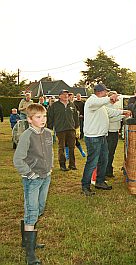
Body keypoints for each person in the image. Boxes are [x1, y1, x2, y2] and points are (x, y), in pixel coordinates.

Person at [13, 104, 53, 265]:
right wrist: (30, 173)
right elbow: (18, 159)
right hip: (32, 179)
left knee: (40, 208)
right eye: (38, 117)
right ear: (29, 120)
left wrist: (50, 168)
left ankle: (26, 240)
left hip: (46, 177)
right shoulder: (27, 136)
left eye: (44, 116)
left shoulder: (49, 133)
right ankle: (30, 253)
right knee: (32, 211)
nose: (42, 120)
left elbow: (49, 153)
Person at [81, 84, 130, 196]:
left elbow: (110, 112)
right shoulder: (92, 101)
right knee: (92, 162)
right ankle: (85, 185)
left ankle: (100, 181)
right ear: (100, 92)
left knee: (104, 159)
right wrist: (110, 98)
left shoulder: (100, 105)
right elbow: (101, 102)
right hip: (93, 137)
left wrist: (123, 112)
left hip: (101, 136)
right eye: (106, 92)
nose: (107, 93)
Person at [47, 90, 79, 171]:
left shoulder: (72, 105)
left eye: (67, 94)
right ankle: (62, 165)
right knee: (61, 147)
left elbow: (75, 117)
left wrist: (77, 127)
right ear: (60, 96)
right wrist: (50, 128)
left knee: (72, 147)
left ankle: (72, 165)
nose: (66, 96)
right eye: (64, 94)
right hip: (60, 129)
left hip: (71, 129)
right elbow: (50, 117)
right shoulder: (54, 106)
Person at [106, 91, 126, 178]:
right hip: (110, 132)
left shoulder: (115, 106)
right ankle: (107, 171)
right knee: (109, 152)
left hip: (114, 131)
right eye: (114, 97)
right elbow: (110, 119)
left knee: (112, 152)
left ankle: (109, 170)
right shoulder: (107, 107)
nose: (116, 98)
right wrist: (123, 115)